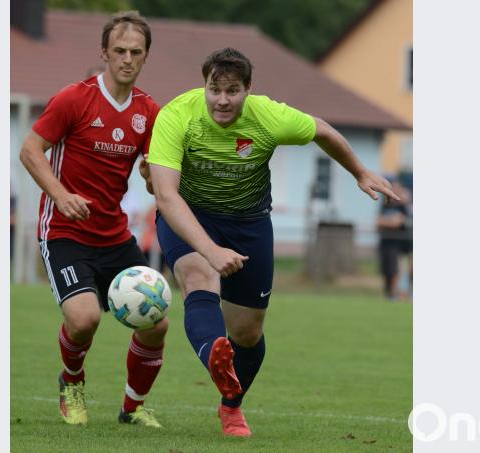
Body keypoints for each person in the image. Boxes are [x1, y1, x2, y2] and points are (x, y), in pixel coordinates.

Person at [146, 48, 400, 437]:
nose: (222, 100)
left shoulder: (269, 116)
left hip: (249, 223)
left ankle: (231, 404)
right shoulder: (177, 115)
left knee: (248, 333)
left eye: (233, 90)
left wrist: (360, 173)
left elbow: (324, 132)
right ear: (204, 86)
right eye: (215, 89)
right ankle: (216, 356)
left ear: (248, 89)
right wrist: (211, 251)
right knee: (198, 276)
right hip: (191, 214)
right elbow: (166, 196)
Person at [19, 11, 167, 428]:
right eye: (119, 50)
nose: (126, 58)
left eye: (136, 52)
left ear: (145, 57)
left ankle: (133, 407)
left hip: (114, 235)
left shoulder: (148, 111)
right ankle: (72, 382)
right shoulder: (73, 98)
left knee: (157, 322)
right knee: (85, 318)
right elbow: (30, 150)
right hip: (64, 232)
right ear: (104, 52)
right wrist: (61, 195)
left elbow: (153, 173)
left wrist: (153, 176)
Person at [377, 177, 413, 300]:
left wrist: (390, 222)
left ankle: (399, 294)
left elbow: (399, 222)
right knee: (389, 270)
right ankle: (392, 294)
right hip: (387, 243)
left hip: (402, 245)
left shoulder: (403, 205)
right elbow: (379, 221)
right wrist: (391, 221)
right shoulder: (385, 204)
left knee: (399, 270)